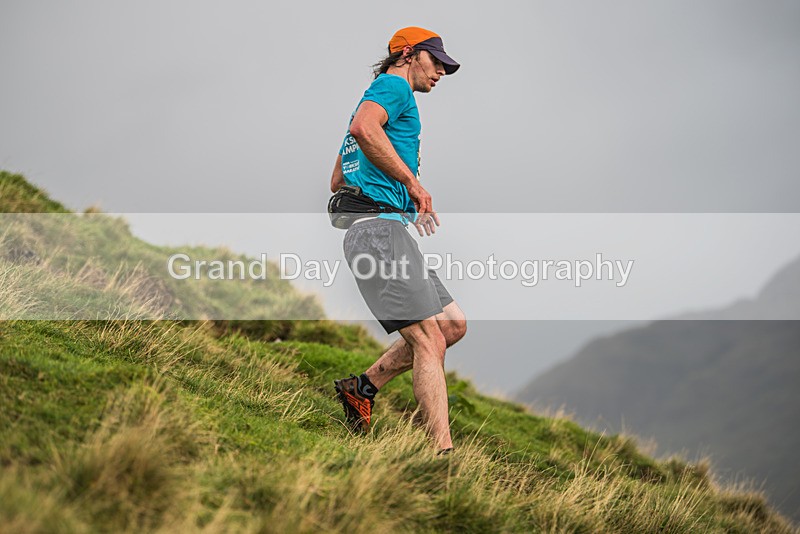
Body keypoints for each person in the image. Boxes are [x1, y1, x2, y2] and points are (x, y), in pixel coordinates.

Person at [329, 27, 467, 454]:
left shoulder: (374, 96)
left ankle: (361, 387)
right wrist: (414, 184)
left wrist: (394, 197)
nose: (442, 71)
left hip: (382, 229)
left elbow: (338, 179)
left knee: (451, 326)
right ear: (408, 54)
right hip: (379, 233)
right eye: (436, 61)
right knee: (428, 339)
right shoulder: (393, 87)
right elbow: (364, 129)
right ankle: (442, 455)